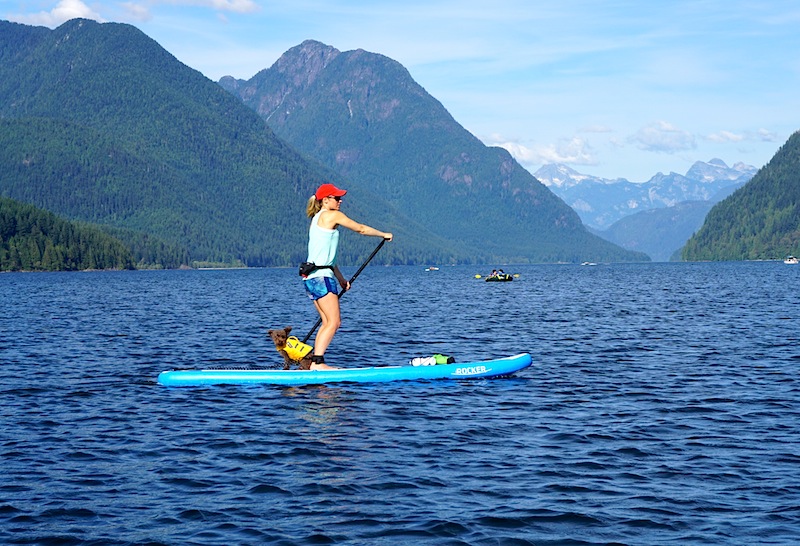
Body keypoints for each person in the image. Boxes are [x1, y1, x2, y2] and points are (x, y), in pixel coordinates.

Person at [303, 183, 392, 370]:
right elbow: (360, 228)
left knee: (327, 322)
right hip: (322, 278)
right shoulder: (331, 215)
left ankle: (314, 363)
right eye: (336, 198)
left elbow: (326, 258)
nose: (340, 200)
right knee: (334, 322)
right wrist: (383, 234)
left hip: (311, 278)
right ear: (325, 200)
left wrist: (341, 279)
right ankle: (318, 364)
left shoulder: (316, 218)